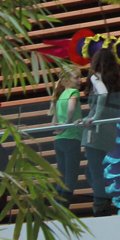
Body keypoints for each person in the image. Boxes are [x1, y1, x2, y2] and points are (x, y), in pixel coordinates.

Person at [80, 48, 120, 217]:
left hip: (95, 131)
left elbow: (102, 94)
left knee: (94, 171)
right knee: (92, 172)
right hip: (109, 131)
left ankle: (101, 206)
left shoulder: (96, 77)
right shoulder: (117, 82)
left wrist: (94, 117)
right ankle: (104, 199)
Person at [48, 65, 83, 208]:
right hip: (71, 138)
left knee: (61, 176)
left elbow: (54, 122)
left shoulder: (58, 96)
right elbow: (71, 107)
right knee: (71, 176)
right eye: (77, 77)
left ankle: (57, 206)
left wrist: (60, 128)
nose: (81, 80)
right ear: (67, 80)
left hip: (59, 141)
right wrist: (69, 123)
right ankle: (63, 206)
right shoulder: (73, 92)